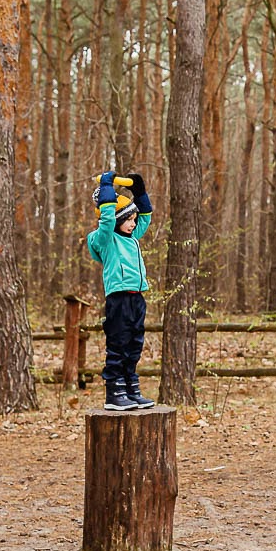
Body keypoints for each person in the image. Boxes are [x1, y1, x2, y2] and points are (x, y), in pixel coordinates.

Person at [86, 170, 155, 411]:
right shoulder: (104, 238)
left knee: (134, 344)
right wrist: (107, 188)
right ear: (116, 220)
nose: (133, 224)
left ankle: (129, 385)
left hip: (137, 298)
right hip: (119, 299)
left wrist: (139, 192)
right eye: (128, 220)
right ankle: (114, 391)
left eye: (133, 220)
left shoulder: (131, 237)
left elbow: (146, 218)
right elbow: (106, 220)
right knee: (118, 342)